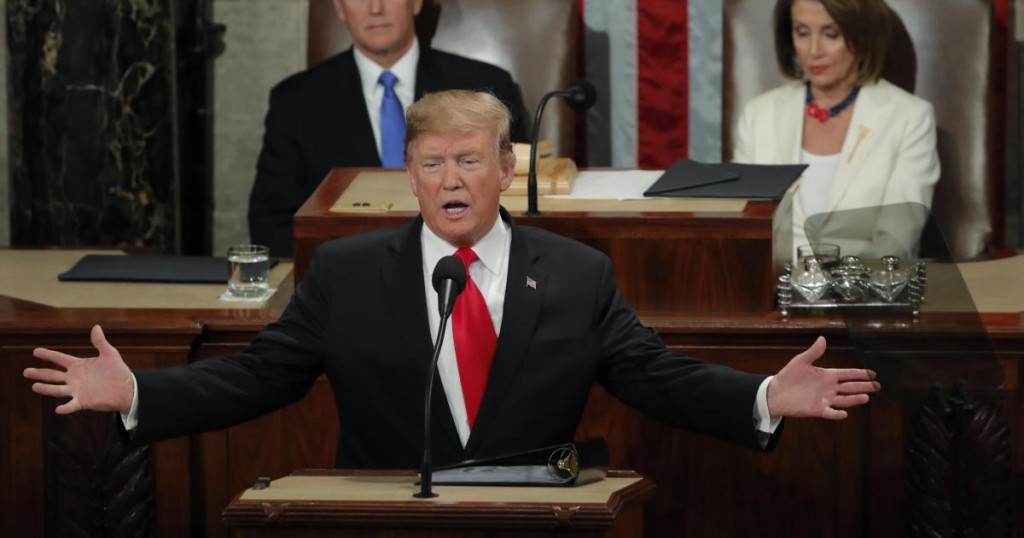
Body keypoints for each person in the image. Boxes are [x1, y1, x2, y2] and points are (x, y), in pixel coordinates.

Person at [25, 90, 879, 469]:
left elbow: (658, 378)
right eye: (432, 164)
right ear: (410, 174)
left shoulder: (576, 276)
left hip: (538, 522)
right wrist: (139, 391)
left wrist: (763, 396)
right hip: (384, 525)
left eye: (470, 160)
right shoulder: (351, 274)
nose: (452, 181)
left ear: (505, 168)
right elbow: (256, 377)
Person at [248, 0, 531, 257]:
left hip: (464, 269)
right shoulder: (296, 100)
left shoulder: (484, 86)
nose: (375, 8)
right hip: (350, 282)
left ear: (416, 3)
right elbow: (272, 223)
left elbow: (519, 204)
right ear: (339, 7)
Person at [734, 0, 940, 261]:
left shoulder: (910, 118)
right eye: (802, 32)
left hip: (861, 291)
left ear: (862, 35)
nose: (813, 50)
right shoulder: (759, 114)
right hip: (771, 289)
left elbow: (895, 241)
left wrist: (834, 289)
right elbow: (743, 228)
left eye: (831, 34)